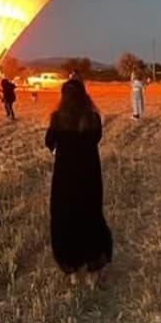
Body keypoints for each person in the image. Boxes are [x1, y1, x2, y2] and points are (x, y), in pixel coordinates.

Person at [44, 79, 113, 277]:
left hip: (65, 176)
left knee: (65, 215)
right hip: (89, 173)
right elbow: (97, 138)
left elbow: (49, 142)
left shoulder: (57, 118)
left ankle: (71, 264)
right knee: (90, 212)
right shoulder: (93, 118)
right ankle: (94, 258)